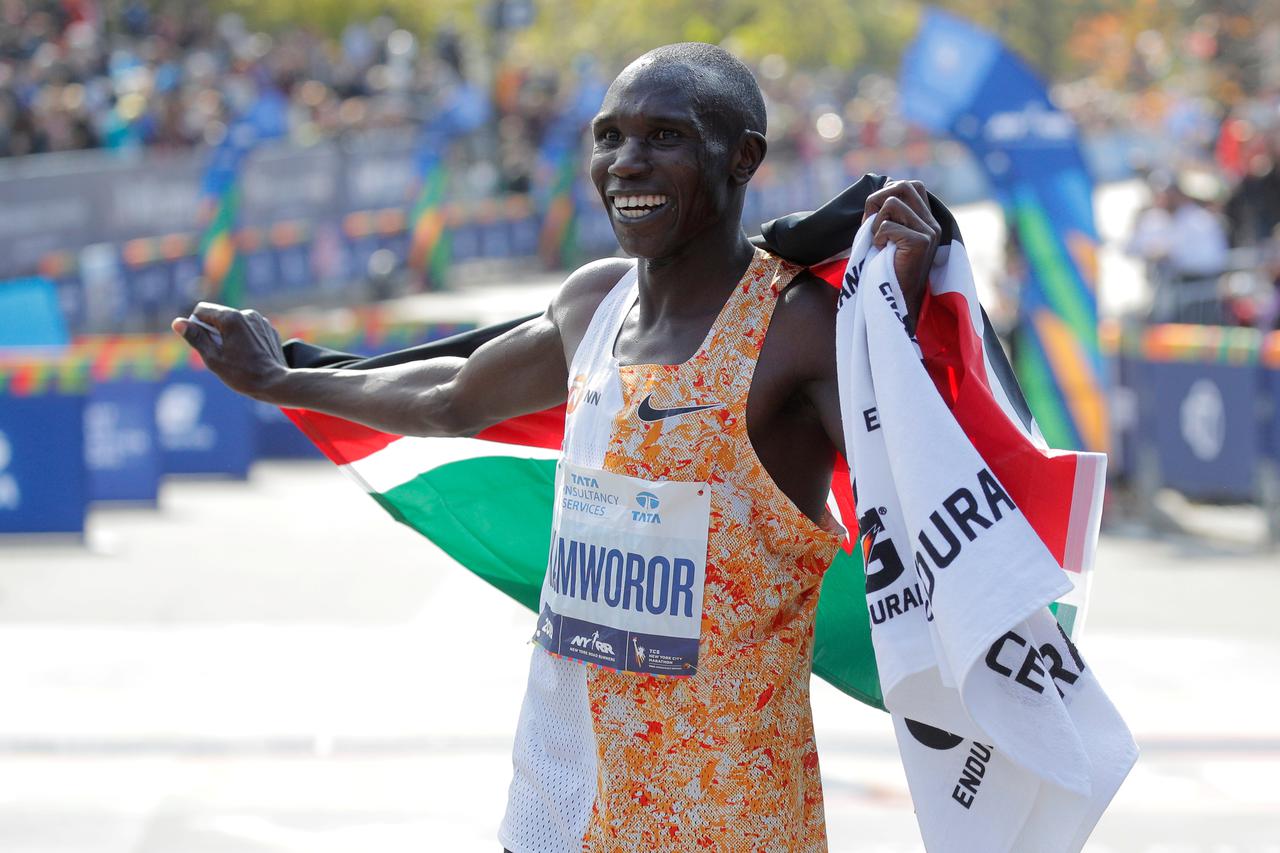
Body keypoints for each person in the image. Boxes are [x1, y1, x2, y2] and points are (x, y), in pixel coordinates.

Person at [173, 42, 941, 852]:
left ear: (742, 157)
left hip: (726, 805)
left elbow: (923, 468)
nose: (626, 163)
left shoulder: (796, 332)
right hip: (566, 788)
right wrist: (283, 379)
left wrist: (899, 320)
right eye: (609, 136)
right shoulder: (594, 304)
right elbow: (451, 394)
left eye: (665, 137)